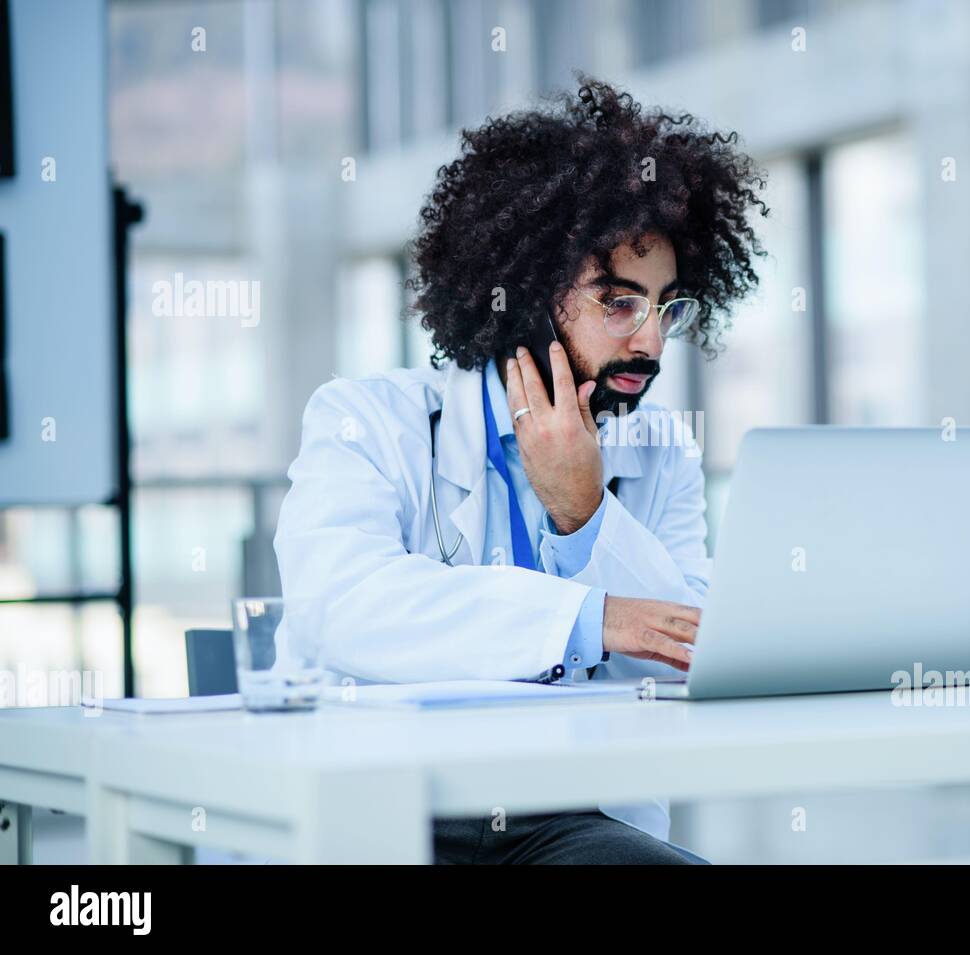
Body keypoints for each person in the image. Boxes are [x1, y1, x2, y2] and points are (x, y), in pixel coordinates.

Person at [273, 75, 767, 863]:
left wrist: (587, 514)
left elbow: (688, 651)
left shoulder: (660, 450)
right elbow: (338, 603)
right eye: (617, 302)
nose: (650, 342)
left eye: (667, 306)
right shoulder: (367, 420)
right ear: (528, 296)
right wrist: (585, 616)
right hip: (384, 807)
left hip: (567, 818)